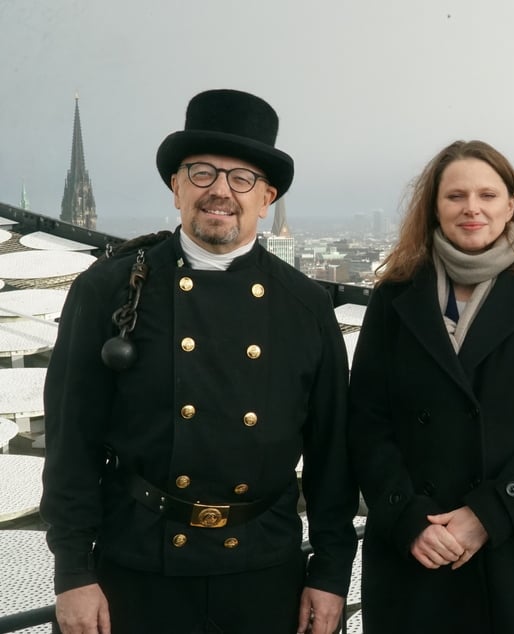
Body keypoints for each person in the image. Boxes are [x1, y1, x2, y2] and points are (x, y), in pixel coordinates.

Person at [40, 89, 357, 634]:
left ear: (267, 196)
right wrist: (72, 571)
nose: (220, 192)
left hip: (264, 572)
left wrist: (330, 574)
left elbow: (333, 459)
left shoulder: (306, 304)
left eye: (241, 179)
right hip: (137, 569)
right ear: (176, 186)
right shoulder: (107, 290)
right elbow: (73, 440)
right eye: (202, 172)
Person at [347, 140, 514, 633]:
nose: (472, 208)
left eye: (487, 194)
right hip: (417, 547)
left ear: (511, 204)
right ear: (434, 207)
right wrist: (408, 517)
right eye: (455, 196)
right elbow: (367, 421)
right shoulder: (395, 294)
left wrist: (489, 514)